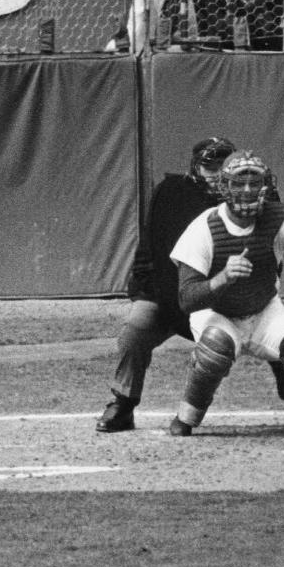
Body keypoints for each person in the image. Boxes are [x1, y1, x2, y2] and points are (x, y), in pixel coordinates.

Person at [166, 148, 284, 437]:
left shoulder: (277, 216)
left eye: (254, 182)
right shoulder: (204, 227)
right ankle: (188, 413)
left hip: (263, 310)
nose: (247, 190)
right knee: (215, 349)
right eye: (239, 182)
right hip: (217, 312)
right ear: (224, 186)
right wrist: (222, 278)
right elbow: (186, 299)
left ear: (266, 185)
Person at [96, 136, 237, 434]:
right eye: (210, 166)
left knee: (282, 328)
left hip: (224, 297)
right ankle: (123, 403)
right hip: (170, 293)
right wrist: (148, 292)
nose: (217, 173)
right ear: (196, 168)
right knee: (136, 327)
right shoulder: (172, 194)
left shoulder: (247, 195)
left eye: (223, 166)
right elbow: (149, 247)